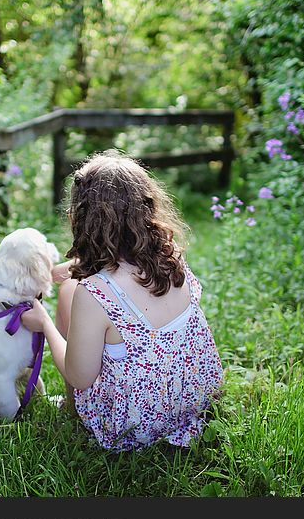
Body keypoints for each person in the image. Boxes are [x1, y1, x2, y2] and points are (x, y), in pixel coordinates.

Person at [19, 151, 223, 451]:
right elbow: (114, 274)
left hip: (134, 424)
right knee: (72, 286)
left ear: (81, 219)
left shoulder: (94, 293)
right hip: (192, 400)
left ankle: (73, 411)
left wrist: (45, 324)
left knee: (68, 293)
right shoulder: (171, 258)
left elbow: (80, 376)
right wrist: (57, 271)